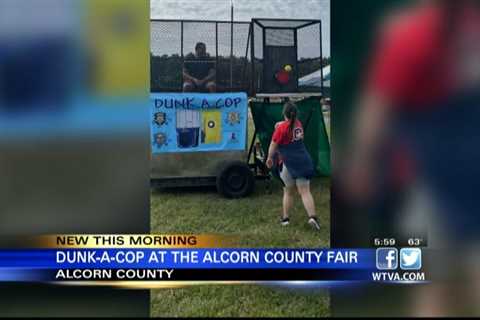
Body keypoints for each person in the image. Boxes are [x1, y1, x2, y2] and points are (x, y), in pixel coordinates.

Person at [266, 102, 320, 230]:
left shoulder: (281, 129)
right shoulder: (298, 124)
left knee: (288, 192)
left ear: (284, 114)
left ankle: (285, 219)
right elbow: (287, 124)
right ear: (295, 114)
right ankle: (312, 217)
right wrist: (280, 124)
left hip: (288, 163)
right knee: (305, 192)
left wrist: (269, 158)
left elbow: (273, 145)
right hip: (303, 160)